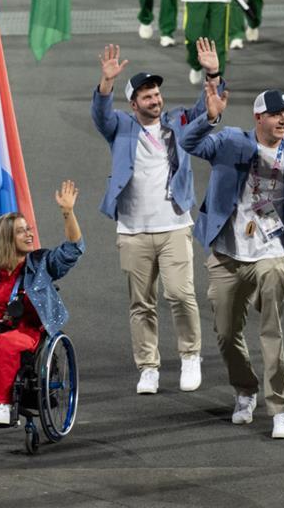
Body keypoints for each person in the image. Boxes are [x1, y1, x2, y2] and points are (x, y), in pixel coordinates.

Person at [181, 82, 284, 439]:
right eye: (275, 114)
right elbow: (189, 143)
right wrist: (210, 116)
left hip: (271, 252)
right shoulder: (230, 141)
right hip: (228, 253)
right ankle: (245, 389)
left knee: (271, 329)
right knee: (226, 334)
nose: (283, 120)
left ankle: (280, 406)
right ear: (258, 117)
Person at [91, 43, 221, 395]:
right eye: (147, 96)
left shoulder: (177, 122)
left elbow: (207, 106)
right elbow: (101, 114)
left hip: (175, 225)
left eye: (157, 94)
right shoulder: (119, 126)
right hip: (133, 230)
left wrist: (212, 72)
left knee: (180, 294)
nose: (155, 100)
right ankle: (148, 366)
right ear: (133, 104)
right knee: (141, 303)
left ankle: (190, 356)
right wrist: (106, 84)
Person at [0, 181, 85, 425]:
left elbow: (73, 250)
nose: (30, 234)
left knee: (8, 344)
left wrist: (67, 212)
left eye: (29, 229)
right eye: (21, 231)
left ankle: (4, 405)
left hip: (30, 330)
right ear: (6, 238)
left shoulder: (40, 263)